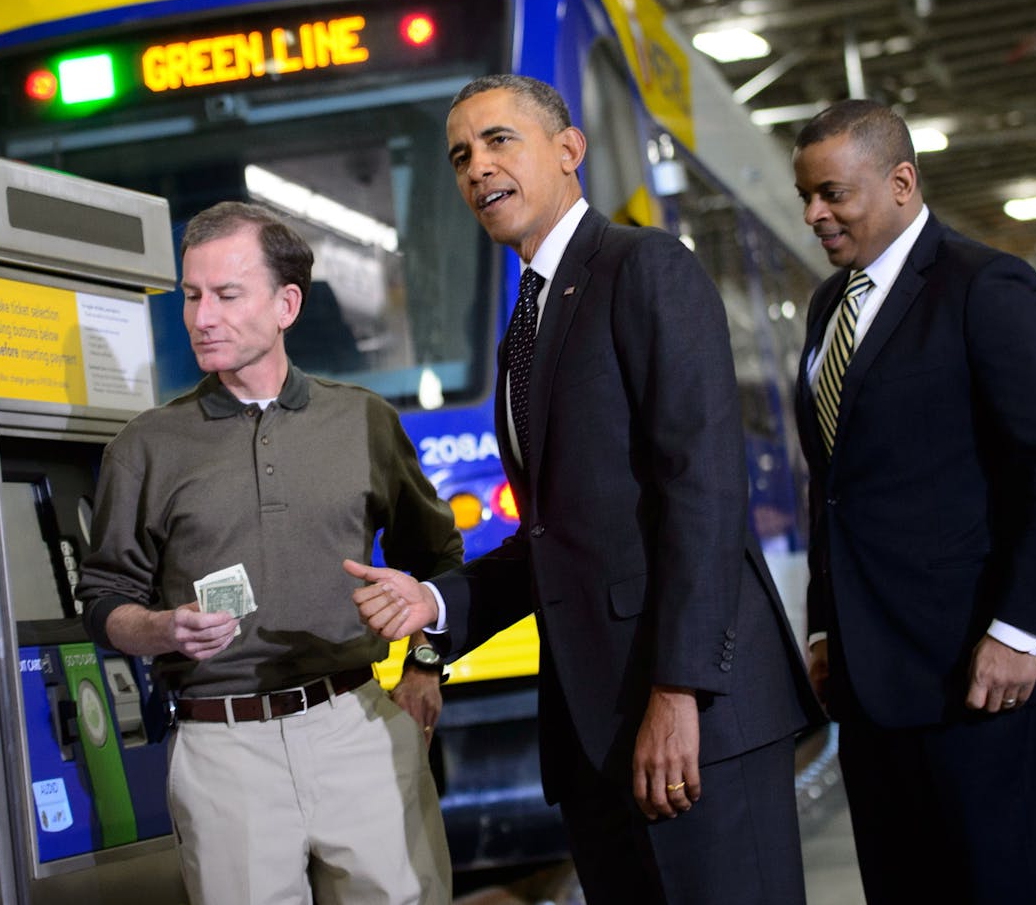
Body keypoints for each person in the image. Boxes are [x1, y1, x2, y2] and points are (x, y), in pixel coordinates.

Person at [346, 74, 820, 904]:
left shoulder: (644, 269)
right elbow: (558, 540)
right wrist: (435, 610)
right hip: (598, 736)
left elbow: (703, 493)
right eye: (460, 155)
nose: (477, 168)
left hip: (689, 717)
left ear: (569, 151)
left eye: (499, 141)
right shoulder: (527, 323)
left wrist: (680, 694)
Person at [74, 201, 460, 904]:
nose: (201, 317)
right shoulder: (145, 446)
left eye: (225, 294)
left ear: (287, 303)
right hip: (223, 749)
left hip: (358, 727)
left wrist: (426, 668)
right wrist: (161, 629)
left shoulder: (365, 421)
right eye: (191, 295)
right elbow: (102, 602)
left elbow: (439, 560)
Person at [791, 99, 1036, 904]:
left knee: (1002, 888)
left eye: (832, 193)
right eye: (807, 196)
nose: (814, 214)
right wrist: (826, 625)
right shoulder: (830, 309)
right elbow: (834, 488)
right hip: (870, 683)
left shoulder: (986, 286)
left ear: (901, 181)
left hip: (979, 672)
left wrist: (1018, 628)